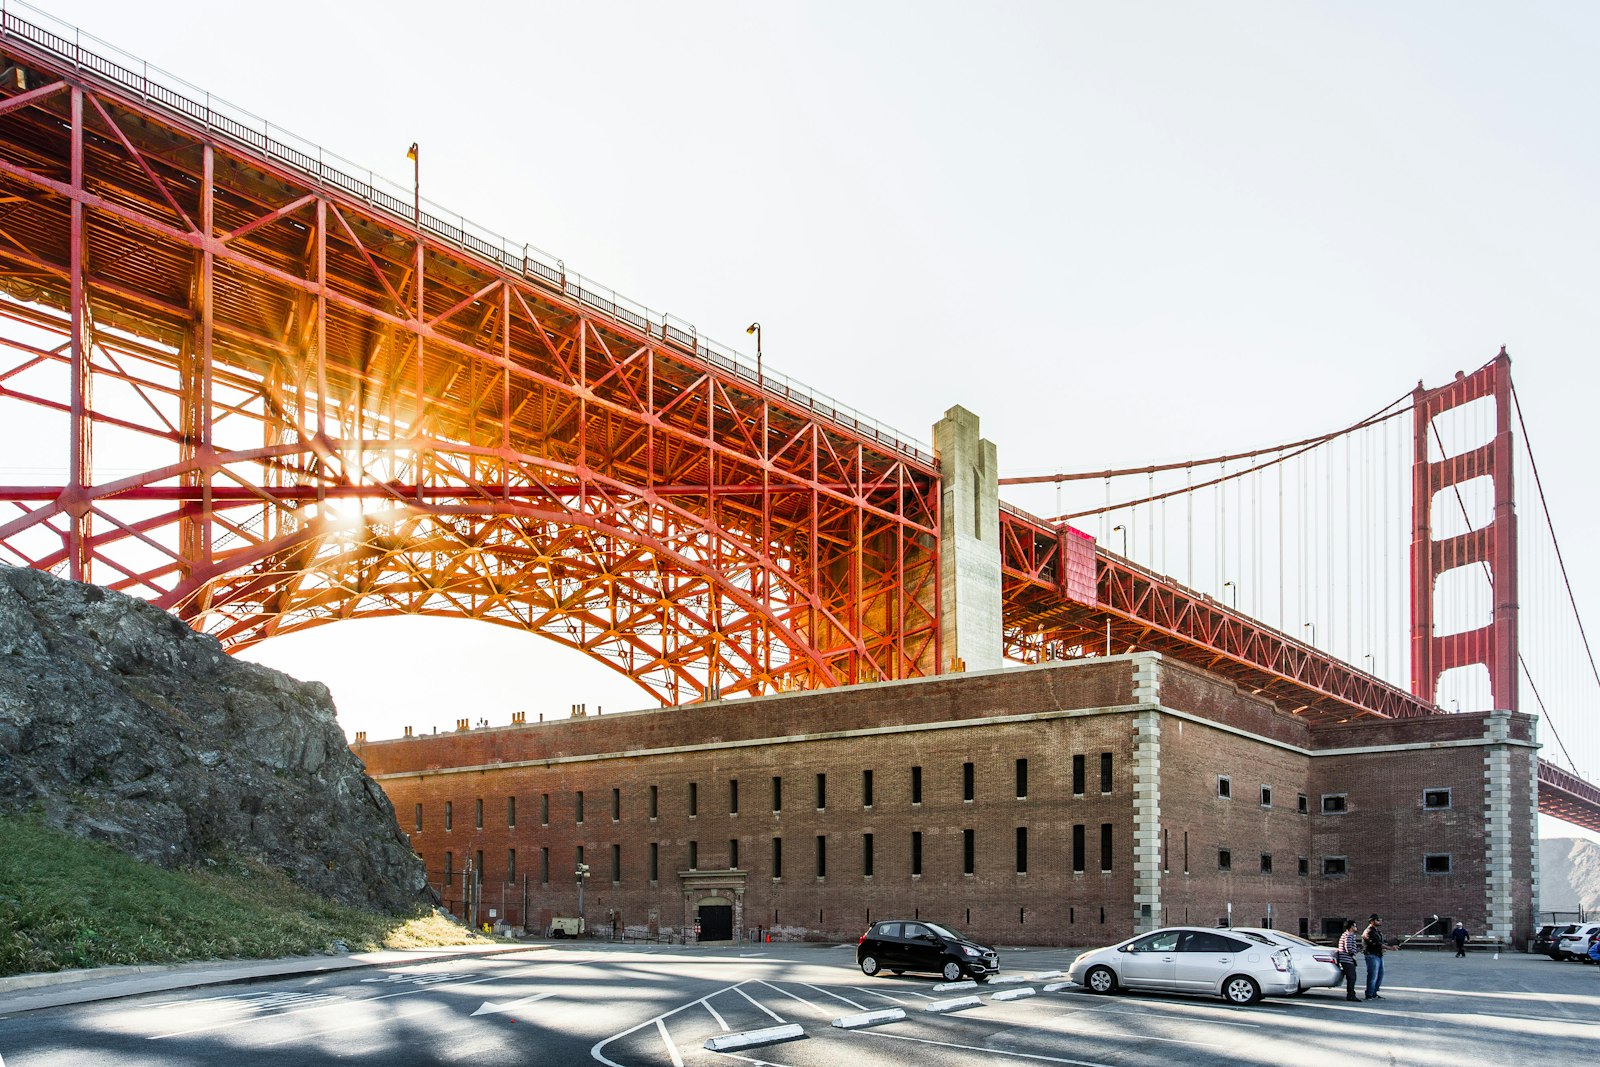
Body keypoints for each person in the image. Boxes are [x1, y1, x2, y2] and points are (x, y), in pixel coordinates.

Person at [1362, 914, 1387, 999]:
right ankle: (1369, 994)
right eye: (1378, 920)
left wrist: (1384, 948)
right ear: (1372, 921)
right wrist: (1390, 948)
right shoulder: (1368, 931)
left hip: (1378, 955)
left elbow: (1381, 943)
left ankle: (1374, 992)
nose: (1380, 922)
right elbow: (1376, 943)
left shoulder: (1377, 931)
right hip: (1371, 955)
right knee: (1373, 975)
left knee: (1380, 975)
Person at [1336, 919, 1361, 1000]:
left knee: (1351, 977)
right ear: (1351, 927)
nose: (1356, 927)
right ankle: (1351, 995)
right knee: (1352, 977)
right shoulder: (1348, 935)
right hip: (1347, 960)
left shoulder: (1346, 935)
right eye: (1355, 926)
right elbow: (1348, 948)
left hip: (1345, 959)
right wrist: (1353, 954)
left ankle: (1351, 994)